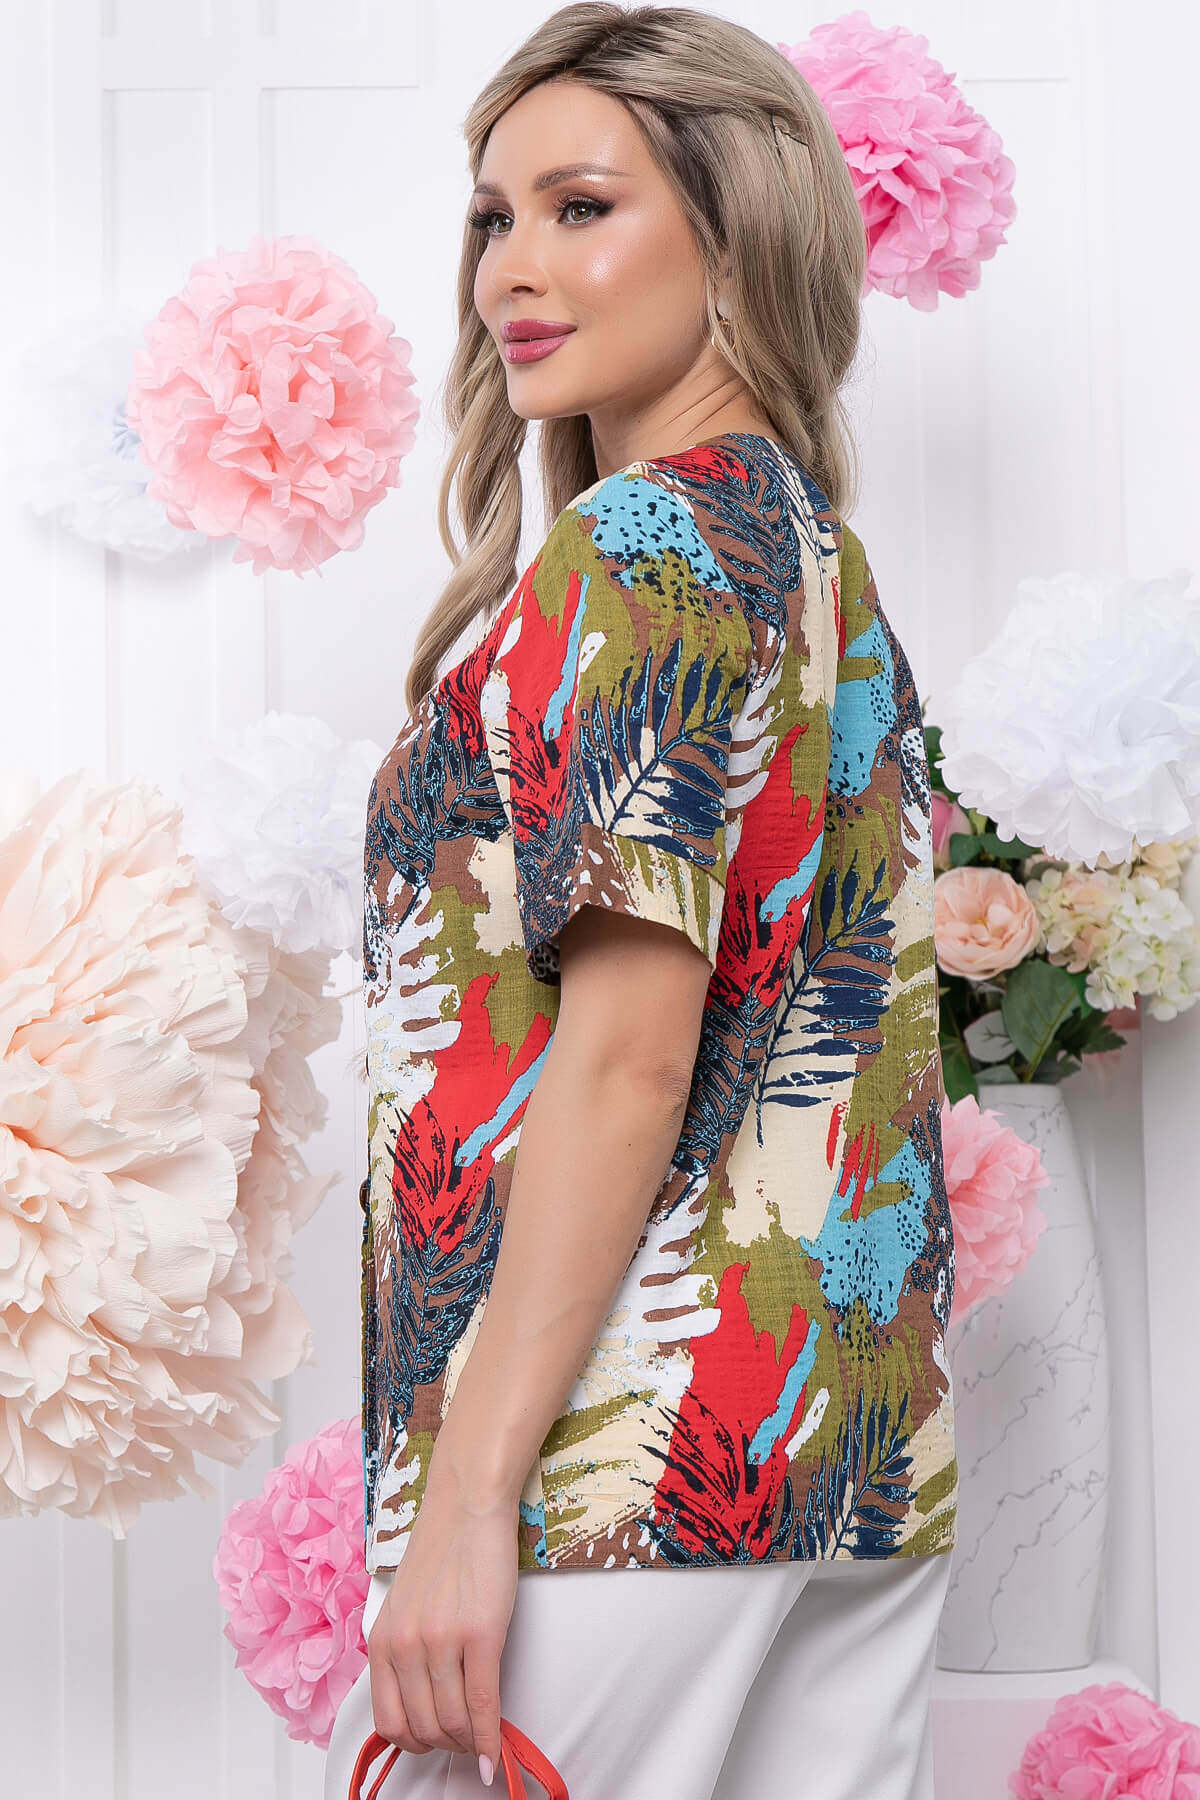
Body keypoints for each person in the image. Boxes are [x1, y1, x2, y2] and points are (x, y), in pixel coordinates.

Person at [324, 5, 958, 1797]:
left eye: (581, 206)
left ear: (736, 233)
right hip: (854, 1444)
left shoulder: (643, 545)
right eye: (493, 217)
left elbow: (627, 1052)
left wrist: (469, 1496)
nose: (511, 271)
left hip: (620, 1467)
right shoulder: (808, 550)